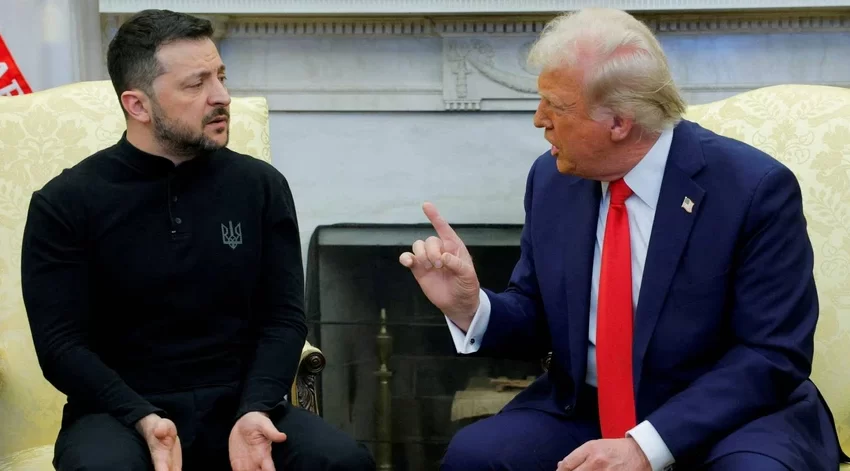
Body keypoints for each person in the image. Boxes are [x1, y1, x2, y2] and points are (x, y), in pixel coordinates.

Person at [400, 7, 845, 471]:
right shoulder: (553, 180)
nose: (539, 119)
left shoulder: (753, 189)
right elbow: (537, 314)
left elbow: (771, 354)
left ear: (619, 122)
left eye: (557, 106)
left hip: (730, 416)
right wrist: (471, 306)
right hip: (587, 408)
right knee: (476, 458)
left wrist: (644, 445)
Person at [20, 9, 374, 471]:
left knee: (342, 461)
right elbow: (61, 346)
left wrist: (256, 407)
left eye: (221, 77)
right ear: (138, 105)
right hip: (119, 413)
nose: (222, 96)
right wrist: (142, 417)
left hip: (241, 404)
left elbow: (284, 318)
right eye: (196, 84)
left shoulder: (260, 186)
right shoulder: (64, 202)